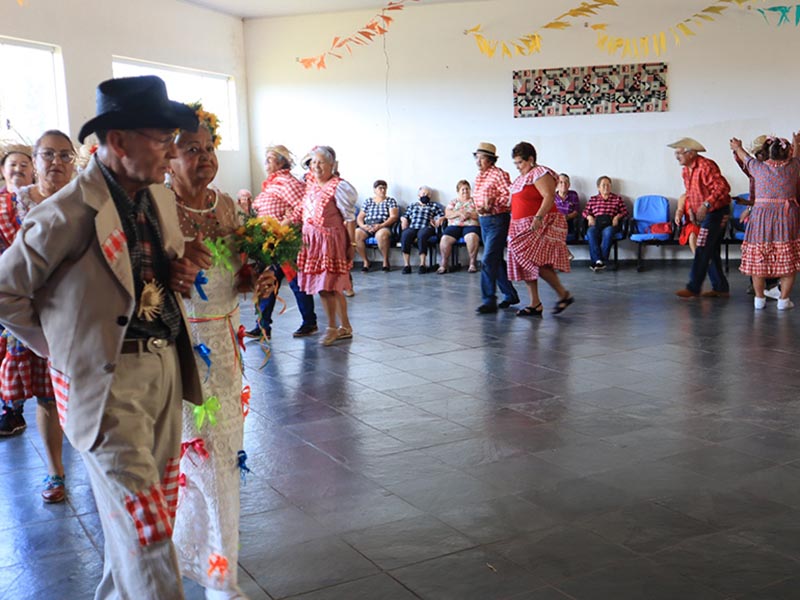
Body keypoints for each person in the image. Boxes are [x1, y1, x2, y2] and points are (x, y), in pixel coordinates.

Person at [0, 75, 208, 598]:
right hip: (106, 387)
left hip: (163, 372)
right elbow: (5, 291)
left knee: (138, 530)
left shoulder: (156, 198)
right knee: (150, 535)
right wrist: (65, 347)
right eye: (161, 140)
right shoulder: (65, 213)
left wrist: (180, 271)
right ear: (119, 142)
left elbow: (154, 274)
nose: (171, 152)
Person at [169, 105, 260, 599]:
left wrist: (257, 278)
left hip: (225, 346)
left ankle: (218, 569)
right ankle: (198, 564)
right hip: (178, 347)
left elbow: (239, 272)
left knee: (223, 457)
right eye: (191, 150)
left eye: (208, 150)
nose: (204, 159)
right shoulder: (157, 208)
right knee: (192, 458)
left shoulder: (227, 207)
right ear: (169, 157)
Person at [0, 131, 77, 502]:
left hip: (79, 313)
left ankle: (100, 465)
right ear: (35, 159)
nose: (57, 162)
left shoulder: (85, 202)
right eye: (48, 155)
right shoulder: (11, 206)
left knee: (95, 392)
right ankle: (56, 472)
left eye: (65, 155)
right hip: (32, 316)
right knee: (47, 396)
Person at [249, 144, 317, 340]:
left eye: (270, 159)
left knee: (295, 282)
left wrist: (285, 223)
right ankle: (262, 325)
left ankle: (309, 322)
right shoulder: (273, 183)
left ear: (281, 162)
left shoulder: (287, 182)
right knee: (268, 282)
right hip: (271, 242)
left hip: (285, 241)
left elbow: (303, 205)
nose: (266, 163)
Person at [730, 135, 800, 310]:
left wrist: (737, 145)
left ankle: (759, 299)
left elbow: (743, 155)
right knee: (788, 258)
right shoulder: (793, 167)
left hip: (761, 218)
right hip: (786, 217)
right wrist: (797, 143)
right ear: (786, 153)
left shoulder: (757, 168)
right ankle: (783, 300)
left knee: (758, 258)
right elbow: (797, 156)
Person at [297, 146, 357, 346]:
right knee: (332, 286)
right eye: (313, 162)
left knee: (327, 286)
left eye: (321, 162)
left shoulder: (338, 186)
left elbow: (349, 218)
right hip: (312, 242)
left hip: (329, 241)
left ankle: (332, 327)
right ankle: (345, 326)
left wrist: (352, 244)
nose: (316, 166)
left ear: (332, 165)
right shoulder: (311, 185)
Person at [506, 142, 573, 316]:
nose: (518, 167)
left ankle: (563, 294)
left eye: (520, 162)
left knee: (537, 262)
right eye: (516, 164)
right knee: (527, 263)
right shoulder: (521, 178)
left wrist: (538, 217)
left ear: (531, 159)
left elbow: (549, 196)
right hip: (521, 225)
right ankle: (535, 303)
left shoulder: (540, 173)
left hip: (541, 223)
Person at [669, 137, 732, 298]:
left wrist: (706, 205)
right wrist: (691, 210)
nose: (676, 156)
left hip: (717, 211)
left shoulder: (706, 166)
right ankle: (720, 288)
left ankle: (693, 287)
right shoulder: (685, 171)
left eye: (679, 153)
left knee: (702, 246)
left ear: (691, 153)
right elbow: (690, 193)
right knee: (711, 250)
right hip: (706, 212)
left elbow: (723, 187)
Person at [0, 142, 34, 436]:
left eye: (25, 164)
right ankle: (12, 410)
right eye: (13, 165)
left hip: (39, 286)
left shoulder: (41, 202)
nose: (18, 169)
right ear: (3, 171)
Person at [473, 142, 519, 313]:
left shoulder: (499, 174)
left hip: (497, 220)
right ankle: (510, 294)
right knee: (496, 260)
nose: (478, 161)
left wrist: (493, 203)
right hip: (484, 221)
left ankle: (488, 300)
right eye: (476, 157)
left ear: (490, 159)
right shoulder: (479, 177)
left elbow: (509, 196)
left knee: (487, 260)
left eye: (482, 158)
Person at [582, 176, 628, 271]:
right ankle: (599, 261)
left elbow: (625, 212)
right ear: (598, 187)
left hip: (610, 224)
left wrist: (617, 217)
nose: (606, 187)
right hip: (596, 224)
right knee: (591, 232)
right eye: (603, 185)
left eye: (608, 185)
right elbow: (584, 212)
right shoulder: (593, 199)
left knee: (608, 232)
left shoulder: (617, 199)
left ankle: (600, 261)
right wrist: (589, 217)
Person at [355, 179, 399, 272]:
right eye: (380, 188)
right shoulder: (368, 201)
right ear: (374, 190)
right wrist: (363, 226)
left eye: (384, 188)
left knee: (381, 235)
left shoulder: (390, 201)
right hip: (368, 225)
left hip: (383, 225)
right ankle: (366, 261)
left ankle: (385, 261)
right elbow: (360, 217)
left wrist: (381, 225)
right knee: (356, 234)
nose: (383, 190)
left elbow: (394, 217)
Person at [438, 180, 481, 273]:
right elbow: (448, 214)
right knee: (445, 239)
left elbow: (480, 214)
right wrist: (458, 213)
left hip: (471, 225)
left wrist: (469, 214)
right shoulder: (454, 201)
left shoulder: (475, 201)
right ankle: (444, 264)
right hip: (454, 226)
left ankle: (472, 263)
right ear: (458, 191)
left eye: (467, 189)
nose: (465, 191)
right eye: (463, 189)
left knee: (471, 237)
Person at [400, 186, 445, 274]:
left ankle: (422, 264)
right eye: (424, 194)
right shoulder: (413, 205)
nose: (426, 196)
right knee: (405, 235)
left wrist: (438, 219)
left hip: (426, 227)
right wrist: (403, 220)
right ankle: (406, 265)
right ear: (418, 195)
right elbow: (405, 215)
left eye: (428, 194)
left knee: (422, 235)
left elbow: (442, 215)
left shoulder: (434, 205)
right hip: (413, 226)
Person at [554, 173, 580, 238]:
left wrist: (566, 217)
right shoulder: (552, 196)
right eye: (561, 182)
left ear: (569, 185)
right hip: (555, 222)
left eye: (566, 182)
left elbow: (576, 211)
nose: (564, 184)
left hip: (568, 220)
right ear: (556, 184)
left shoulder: (573, 194)